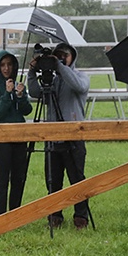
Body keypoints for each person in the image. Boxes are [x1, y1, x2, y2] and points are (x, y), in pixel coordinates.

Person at [28, 42, 91, 230]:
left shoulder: (80, 76)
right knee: (53, 179)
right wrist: (33, 72)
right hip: (53, 137)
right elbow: (35, 93)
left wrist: (60, 67)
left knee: (77, 179)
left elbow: (78, 86)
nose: (62, 58)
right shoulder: (52, 80)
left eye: (65, 55)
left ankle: (81, 216)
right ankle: (55, 215)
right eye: (58, 55)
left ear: (73, 57)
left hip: (74, 137)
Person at [0, 50, 32, 214]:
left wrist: (20, 96)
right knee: (3, 178)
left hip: (19, 136)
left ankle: (15, 213)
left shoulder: (18, 85)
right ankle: (1, 216)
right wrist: (7, 93)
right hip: (0, 138)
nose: (6, 68)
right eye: (3, 65)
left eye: (9, 65)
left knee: (18, 178)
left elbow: (26, 111)